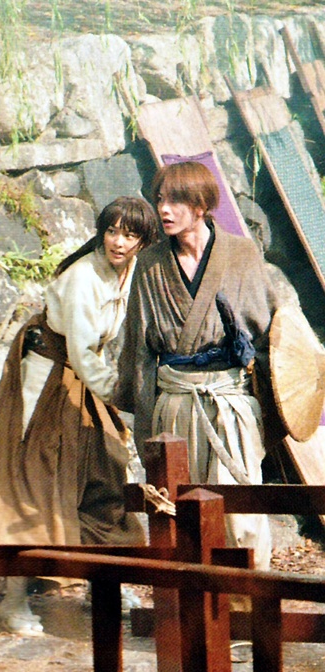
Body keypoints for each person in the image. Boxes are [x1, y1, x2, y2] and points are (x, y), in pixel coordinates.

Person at [0, 196, 159, 634]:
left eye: (130, 234)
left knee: (105, 473)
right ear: (101, 232)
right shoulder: (83, 277)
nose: (119, 242)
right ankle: (14, 599)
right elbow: (81, 350)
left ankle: (105, 582)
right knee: (35, 480)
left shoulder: (131, 270)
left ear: (143, 241)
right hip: (44, 378)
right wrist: (124, 396)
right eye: (112, 231)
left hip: (81, 378)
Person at [114, 161, 279, 572]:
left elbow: (272, 336)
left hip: (228, 402)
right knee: (179, 513)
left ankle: (247, 600)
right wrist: (146, 424)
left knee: (241, 517)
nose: (163, 209)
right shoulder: (150, 263)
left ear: (201, 206)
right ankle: (190, 606)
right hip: (174, 403)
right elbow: (139, 350)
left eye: (175, 201)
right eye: (160, 200)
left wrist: (268, 408)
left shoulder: (241, 254)